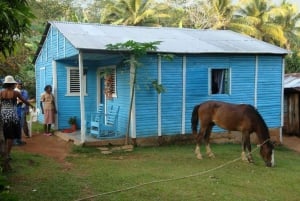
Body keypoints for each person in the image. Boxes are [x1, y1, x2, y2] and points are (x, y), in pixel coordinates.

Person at [0, 75, 34, 172]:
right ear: (12, 84)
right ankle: (8, 154)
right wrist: (32, 106)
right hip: (12, 116)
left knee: (4, 136)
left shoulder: (1, 93)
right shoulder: (15, 93)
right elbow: (24, 101)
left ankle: (4, 154)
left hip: (3, 116)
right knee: (10, 137)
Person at [14, 81, 30, 145]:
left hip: (21, 108)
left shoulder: (23, 91)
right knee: (17, 125)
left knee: (20, 124)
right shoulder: (15, 91)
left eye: (21, 84)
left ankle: (18, 140)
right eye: (18, 84)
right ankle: (15, 141)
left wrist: (27, 108)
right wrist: (29, 101)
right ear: (15, 85)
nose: (20, 85)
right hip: (16, 108)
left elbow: (23, 100)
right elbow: (19, 100)